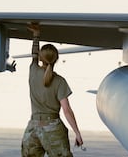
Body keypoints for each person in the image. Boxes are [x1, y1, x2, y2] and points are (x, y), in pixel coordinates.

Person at [22, 23, 83, 157]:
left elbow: (34, 54)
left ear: (40, 58)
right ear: (56, 59)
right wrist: (77, 133)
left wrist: (36, 34)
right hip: (53, 129)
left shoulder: (33, 70)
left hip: (33, 128)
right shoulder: (60, 81)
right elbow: (67, 110)